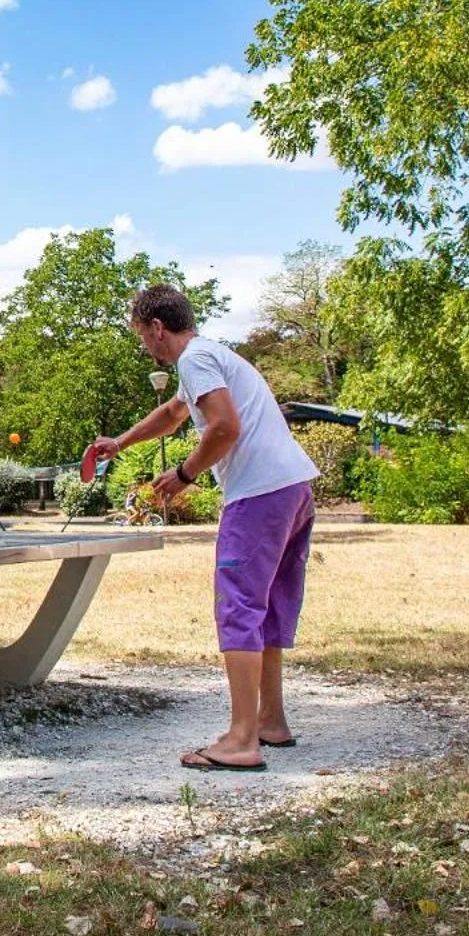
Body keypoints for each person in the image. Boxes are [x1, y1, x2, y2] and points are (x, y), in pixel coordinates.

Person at [88, 284, 317, 772]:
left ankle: (240, 740)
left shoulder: (194, 359)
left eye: (142, 337)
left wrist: (185, 474)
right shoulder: (211, 357)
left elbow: (224, 428)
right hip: (295, 488)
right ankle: (269, 720)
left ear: (156, 327)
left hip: (259, 493)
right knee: (269, 606)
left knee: (238, 605)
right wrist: (121, 443)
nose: (145, 347)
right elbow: (175, 414)